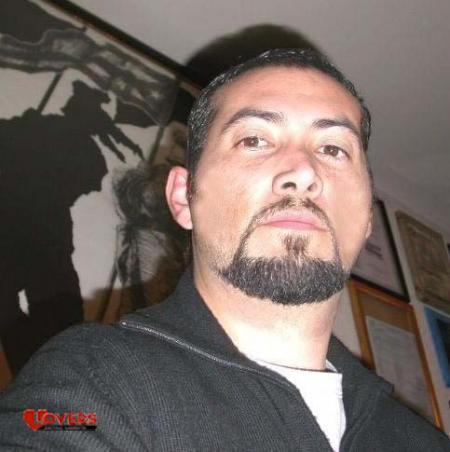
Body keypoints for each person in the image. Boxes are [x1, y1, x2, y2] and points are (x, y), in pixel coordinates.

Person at [0, 49, 448, 451]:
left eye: (333, 148)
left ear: (367, 218)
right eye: (254, 140)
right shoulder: (90, 380)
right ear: (183, 198)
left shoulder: (424, 441)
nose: (303, 172)